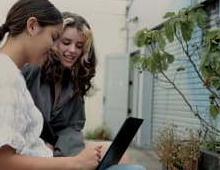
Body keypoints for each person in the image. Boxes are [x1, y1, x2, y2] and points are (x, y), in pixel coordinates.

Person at [0, 0, 103, 170]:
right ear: (32, 27)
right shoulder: (2, 76)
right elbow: (4, 163)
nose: (55, 48)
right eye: (54, 38)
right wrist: (74, 163)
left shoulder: (7, 73)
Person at [22, 12, 146, 169]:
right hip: (30, 148)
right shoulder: (32, 70)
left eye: (79, 46)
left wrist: (65, 153)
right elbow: (17, 117)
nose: (73, 50)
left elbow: (73, 127)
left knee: (120, 155)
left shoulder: (74, 82)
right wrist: (41, 145)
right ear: (53, 41)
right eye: (66, 42)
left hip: (58, 148)